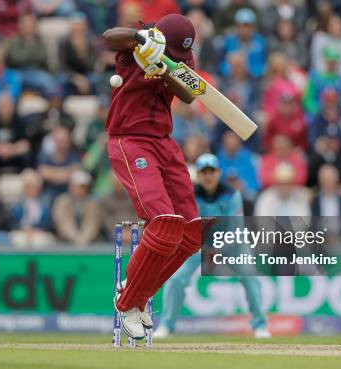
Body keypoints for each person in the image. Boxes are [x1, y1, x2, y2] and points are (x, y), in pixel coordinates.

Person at [102, 14, 207, 339]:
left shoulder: (180, 57)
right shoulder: (136, 45)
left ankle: (138, 293)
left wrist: (166, 67)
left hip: (163, 141)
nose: (179, 58)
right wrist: (139, 40)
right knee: (163, 222)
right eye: (174, 53)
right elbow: (110, 36)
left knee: (191, 233)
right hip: (130, 138)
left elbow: (190, 94)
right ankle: (128, 301)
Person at [153, 153, 271, 339]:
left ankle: (260, 326)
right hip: (196, 245)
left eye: (211, 171)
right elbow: (186, 225)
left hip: (232, 244)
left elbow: (235, 228)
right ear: (198, 175)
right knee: (176, 279)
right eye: (203, 172)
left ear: (218, 173)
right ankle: (167, 325)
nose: (208, 176)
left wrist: (217, 249)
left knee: (249, 275)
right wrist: (204, 249)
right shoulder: (189, 195)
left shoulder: (232, 195)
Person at [6, 13, 56, 94]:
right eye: (25, 26)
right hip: (18, 71)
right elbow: (15, 57)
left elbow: (42, 56)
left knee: (48, 81)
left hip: (38, 71)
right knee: (12, 82)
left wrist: (25, 53)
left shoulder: (42, 41)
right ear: (20, 26)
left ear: (35, 27)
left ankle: (51, 105)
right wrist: (32, 51)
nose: (28, 29)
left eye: (30, 26)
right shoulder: (13, 40)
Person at [0, 92, 31, 173]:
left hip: (18, 163)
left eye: (7, 106)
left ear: (13, 106)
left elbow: (26, 145)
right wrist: (0, 149)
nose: (5, 109)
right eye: (1, 106)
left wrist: (11, 150)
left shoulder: (21, 122)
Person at [51, 170, 101, 246]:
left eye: (83, 186)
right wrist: (76, 238)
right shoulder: (62, 201)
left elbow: (92, 224)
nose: (81, 189)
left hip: (89, 243)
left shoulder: (93, 203)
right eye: (78, 186)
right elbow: (62, 224)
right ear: (71, 186)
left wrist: (83, 239)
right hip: (64, 242)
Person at [10, 169, 55, 248]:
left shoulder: (46, 203)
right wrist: (24, 229)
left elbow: (49, 223)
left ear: (39, 188)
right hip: (21, 231)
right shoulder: (16, 203)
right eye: (28, 186)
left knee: (40, 241)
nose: (31, 189)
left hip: (39, 231)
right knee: (19, 240)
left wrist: (36, 230)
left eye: (34, 186)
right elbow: (11, 221)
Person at [218, 8, 267, 79]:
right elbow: (222, 65)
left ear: (253, 27)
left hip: (254, 80)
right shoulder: (229, 41)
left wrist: (247, 70)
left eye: (248, 26)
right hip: (231, 79)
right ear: (237, 26)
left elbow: (264, 65)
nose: (245, 30)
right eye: (242, 26)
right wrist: (232, 70)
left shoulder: (260, 42)